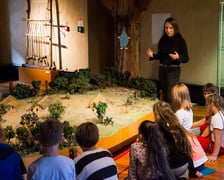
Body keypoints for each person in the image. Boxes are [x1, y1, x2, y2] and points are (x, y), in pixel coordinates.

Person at [153, 101, 203, 178]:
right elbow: (186, 151)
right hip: (184, 165)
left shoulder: (156, 129)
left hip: (168, 168)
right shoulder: (178, 127)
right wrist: (193, 170)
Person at [147, 17, 189, 103]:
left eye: (171, 28)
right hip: (162, 69)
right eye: (166, 28)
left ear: (175, 28)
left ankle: (173, 115)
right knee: (164, 95)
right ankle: (166, 115)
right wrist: (152, 55)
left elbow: (186, 58)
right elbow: (161, 55)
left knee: (171, 95)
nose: (168, 30)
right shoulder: (163, 40)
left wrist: (178, 57)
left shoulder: (180, 41)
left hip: (173, 70)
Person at [197, 94, 224, 162]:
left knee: (191, 140)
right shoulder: (221, 113)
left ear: (212, 104)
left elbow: (218, 137)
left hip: (220, 147)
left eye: (207, 105)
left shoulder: (217, 118)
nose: (207, 107)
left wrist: (214, 155)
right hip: (219, 145)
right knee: (203, 128)